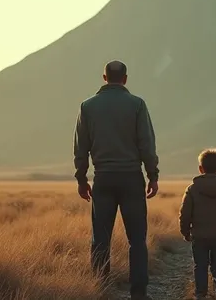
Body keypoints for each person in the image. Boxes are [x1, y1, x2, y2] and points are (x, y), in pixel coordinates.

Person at [73, 60, 160, 300]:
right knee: (137, 240)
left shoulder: (88, 107)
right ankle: (139, 292)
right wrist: (153, 175)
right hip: (132, 178)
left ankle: (101, 289)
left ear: (104, 78)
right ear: (125, 79)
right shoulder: (137, 105)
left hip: (103, 179)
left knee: (100, 238)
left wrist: (81, 179)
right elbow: (146, 144)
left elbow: (81, 148)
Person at [179, 148, 216, 299]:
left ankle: (200, 294)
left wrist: (185, 232)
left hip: (199, 235)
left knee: (200, 266)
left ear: (200, 169)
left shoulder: (192, 189)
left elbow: (185, 214)